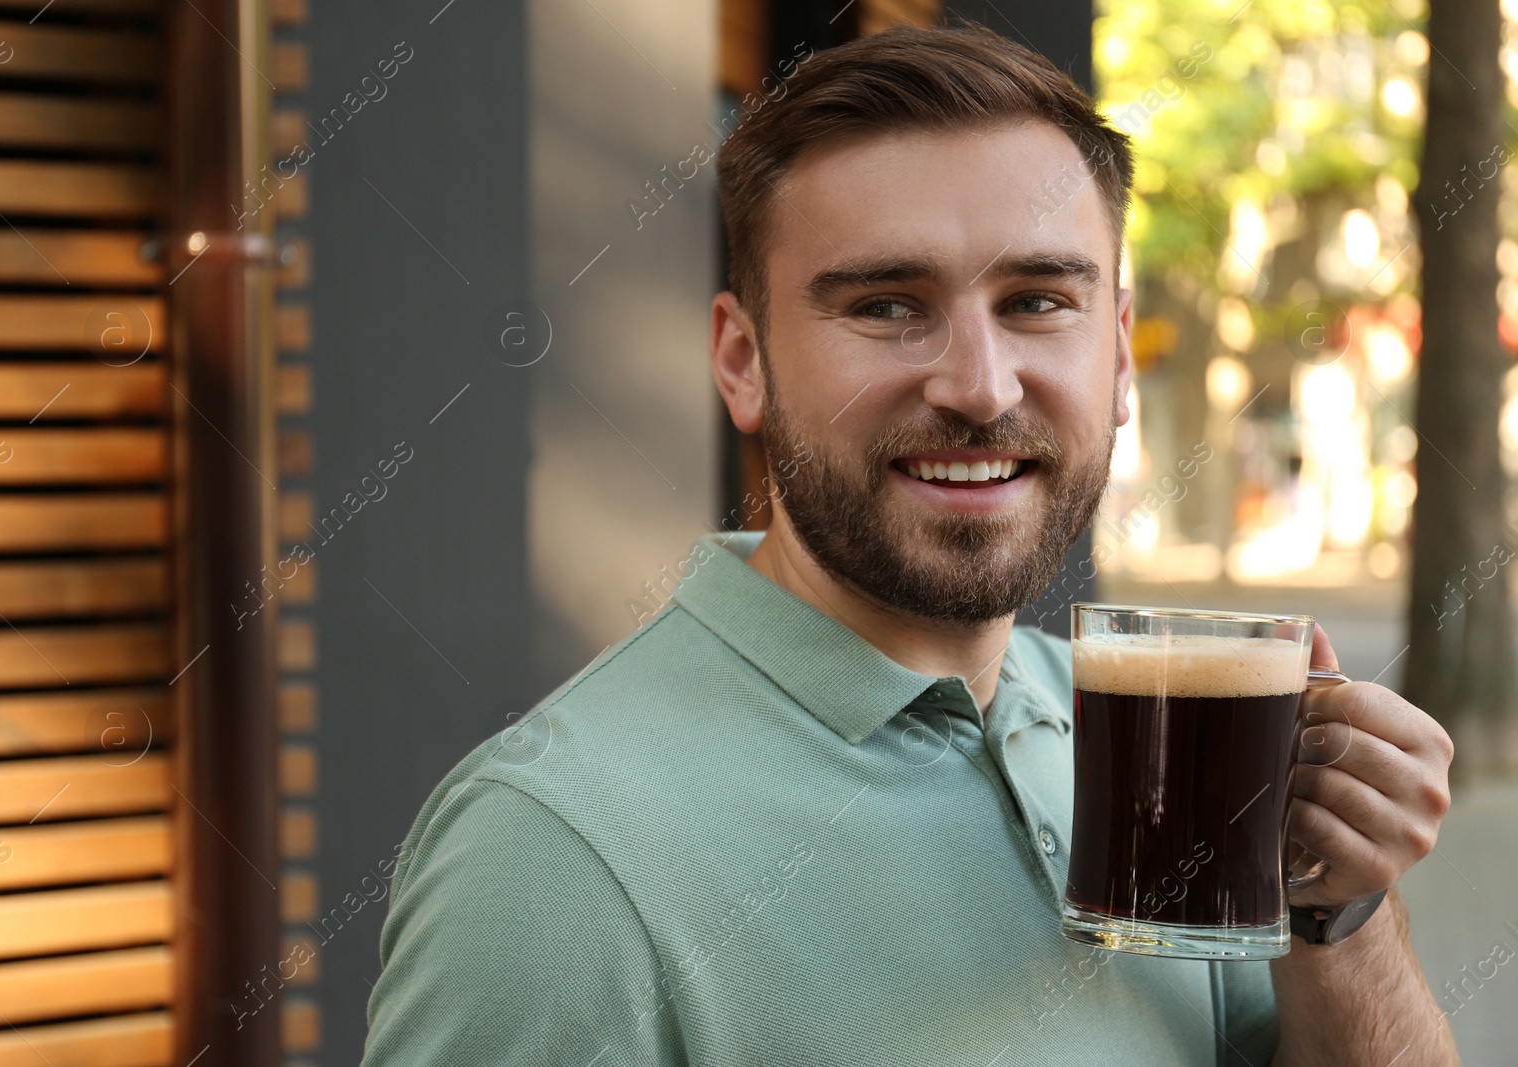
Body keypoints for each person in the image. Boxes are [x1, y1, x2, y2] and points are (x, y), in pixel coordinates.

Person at [360, 24, 1456, 1066]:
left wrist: (1335, 905)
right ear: (742, 361)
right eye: (886, 305)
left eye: (1035, 299)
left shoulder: (1139, 740)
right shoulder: (548, 852)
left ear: (1118, 354)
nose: (978, 386)